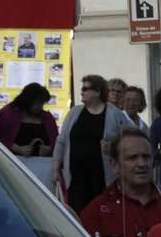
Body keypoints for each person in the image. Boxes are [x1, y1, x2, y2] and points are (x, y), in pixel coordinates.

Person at [79, 129, 161, 237]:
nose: (141, 164)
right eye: (132, 158)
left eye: (146, 157)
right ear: (115, 165)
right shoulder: (95, 213)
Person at [53, 74, 133, 216]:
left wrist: (113, 148)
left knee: (104, 214)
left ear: (97, 92)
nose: (81, 92)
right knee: (79, 216)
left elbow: (129, 141)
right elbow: (62, 141)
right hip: (76, 177)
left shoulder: (115, 115)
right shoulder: (74, 113)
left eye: (85, 89)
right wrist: (55, 169)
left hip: (103, 177)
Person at [0, 82, 59, 184]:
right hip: (14, 167)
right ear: (28, 100)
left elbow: (56, 141)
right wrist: (17, 148)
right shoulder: (9, 113)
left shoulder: (47, 117)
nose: (40, 106)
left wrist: (49, 149)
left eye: (42, 103)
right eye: (38, 102)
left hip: (41, 170)